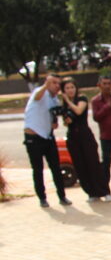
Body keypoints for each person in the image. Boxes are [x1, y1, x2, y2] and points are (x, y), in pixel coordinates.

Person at [59, 78, 111, 202]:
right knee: (80, 166)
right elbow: (67, 122)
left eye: (72, 87)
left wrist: (67, 101)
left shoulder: (81, 99)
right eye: (67, 88)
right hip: (73, 137)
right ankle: (91, 192)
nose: (70, 90)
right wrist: (66, 119)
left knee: (93, 163)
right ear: (64, 90)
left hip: (85, 135)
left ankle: (104, 190)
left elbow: (78, 111)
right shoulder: (64, 105)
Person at [23, 73, 70, 208]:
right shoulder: (40, 92)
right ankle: (42, 198)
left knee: (56, 167)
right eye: (53, 83)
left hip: (47, 137)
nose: (56, 86)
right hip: (33, 137)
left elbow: (53, 117)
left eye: (57, 84)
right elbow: (37, 97)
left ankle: (62, 196)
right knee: (37, 169)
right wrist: (45, 85)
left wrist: (54, 124)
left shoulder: (54, 100)